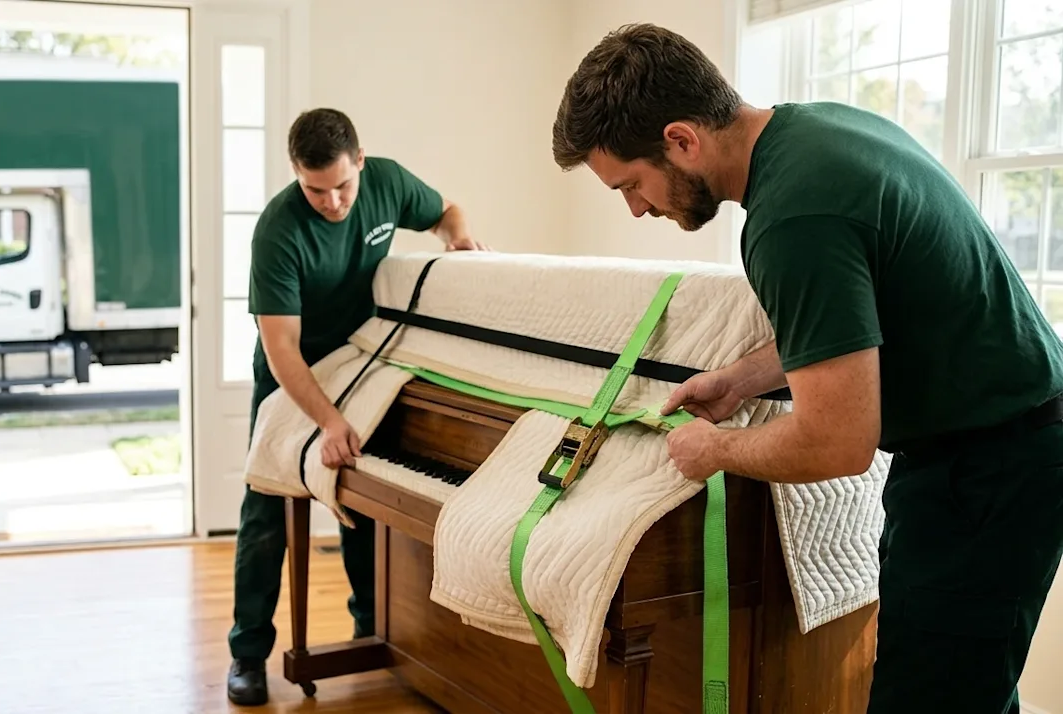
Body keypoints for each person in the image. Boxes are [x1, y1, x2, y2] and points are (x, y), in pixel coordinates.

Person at [552, 23, 1063, 714]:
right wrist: (740, 381)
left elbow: (838, 442)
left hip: (990, 467)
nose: (637, 207)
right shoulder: (812, 135)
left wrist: (715, 450)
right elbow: (852, 331)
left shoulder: (792, 217)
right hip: (992, 447)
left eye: (630, 184)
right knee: (969, 684)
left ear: (680, 139)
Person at [228, 107, 488, 706]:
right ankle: (247, 653)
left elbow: (448, 209)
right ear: (296, 175)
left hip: (363, 360)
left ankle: (370, 629)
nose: (333, 202)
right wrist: (327, 420)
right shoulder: (278, 230)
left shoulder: (389, 182)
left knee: (359, 495)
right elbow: (281, 349)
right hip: (291, 375)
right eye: (315, 189)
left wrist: (456, 236)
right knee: (268, 510)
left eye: (343, 185)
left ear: (361, 164)